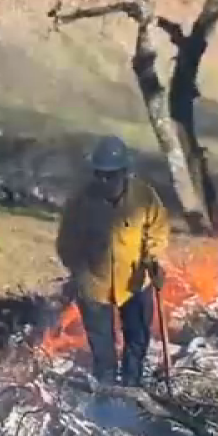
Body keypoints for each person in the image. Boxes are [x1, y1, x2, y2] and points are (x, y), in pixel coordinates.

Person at [56, 135, 170, 387]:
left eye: (111, 175)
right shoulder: (80, 202)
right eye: (99, 175)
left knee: (137, 339)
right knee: (102, 348)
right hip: (94, 285)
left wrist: (151, 257)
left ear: (124, 172)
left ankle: (132, 384)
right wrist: (80, 273)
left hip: (135, 282)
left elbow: (158, 229)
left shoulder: (144, 196)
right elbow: (66, 243)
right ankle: (106, 392)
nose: (104, 181)